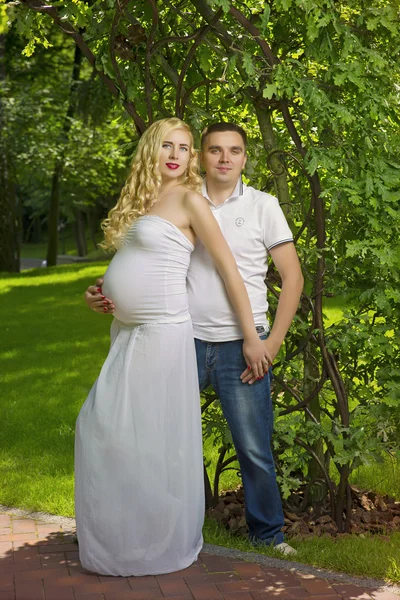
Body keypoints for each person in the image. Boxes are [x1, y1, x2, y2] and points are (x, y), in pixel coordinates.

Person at [85, 122, 304, 556]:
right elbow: (152, 262)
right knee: (162, 436)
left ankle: (269, 534)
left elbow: (288, 276)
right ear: (202, 157)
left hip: (240, 343)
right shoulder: (178, 197)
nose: (224, 158)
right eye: (214, 150)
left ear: (245, 157)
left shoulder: (261, 205)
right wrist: (104, 289)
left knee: (254, 446)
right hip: (183, 336)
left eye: (235, 151)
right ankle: (169, 519)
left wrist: (268, 341)